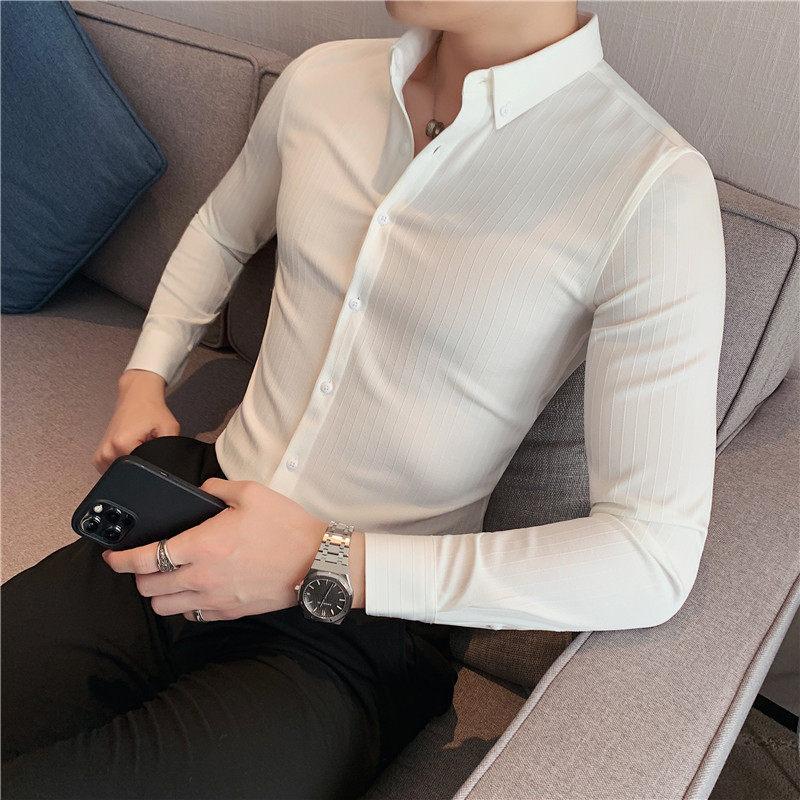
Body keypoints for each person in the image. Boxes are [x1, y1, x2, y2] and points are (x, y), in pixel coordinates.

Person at [1, 0, 726, 797]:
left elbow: (653, 555)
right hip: (193, 508)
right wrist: (145, 374)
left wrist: (327, 560)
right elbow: (221, 231)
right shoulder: (322, 81)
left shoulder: (650, 185)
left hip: (351, 627)